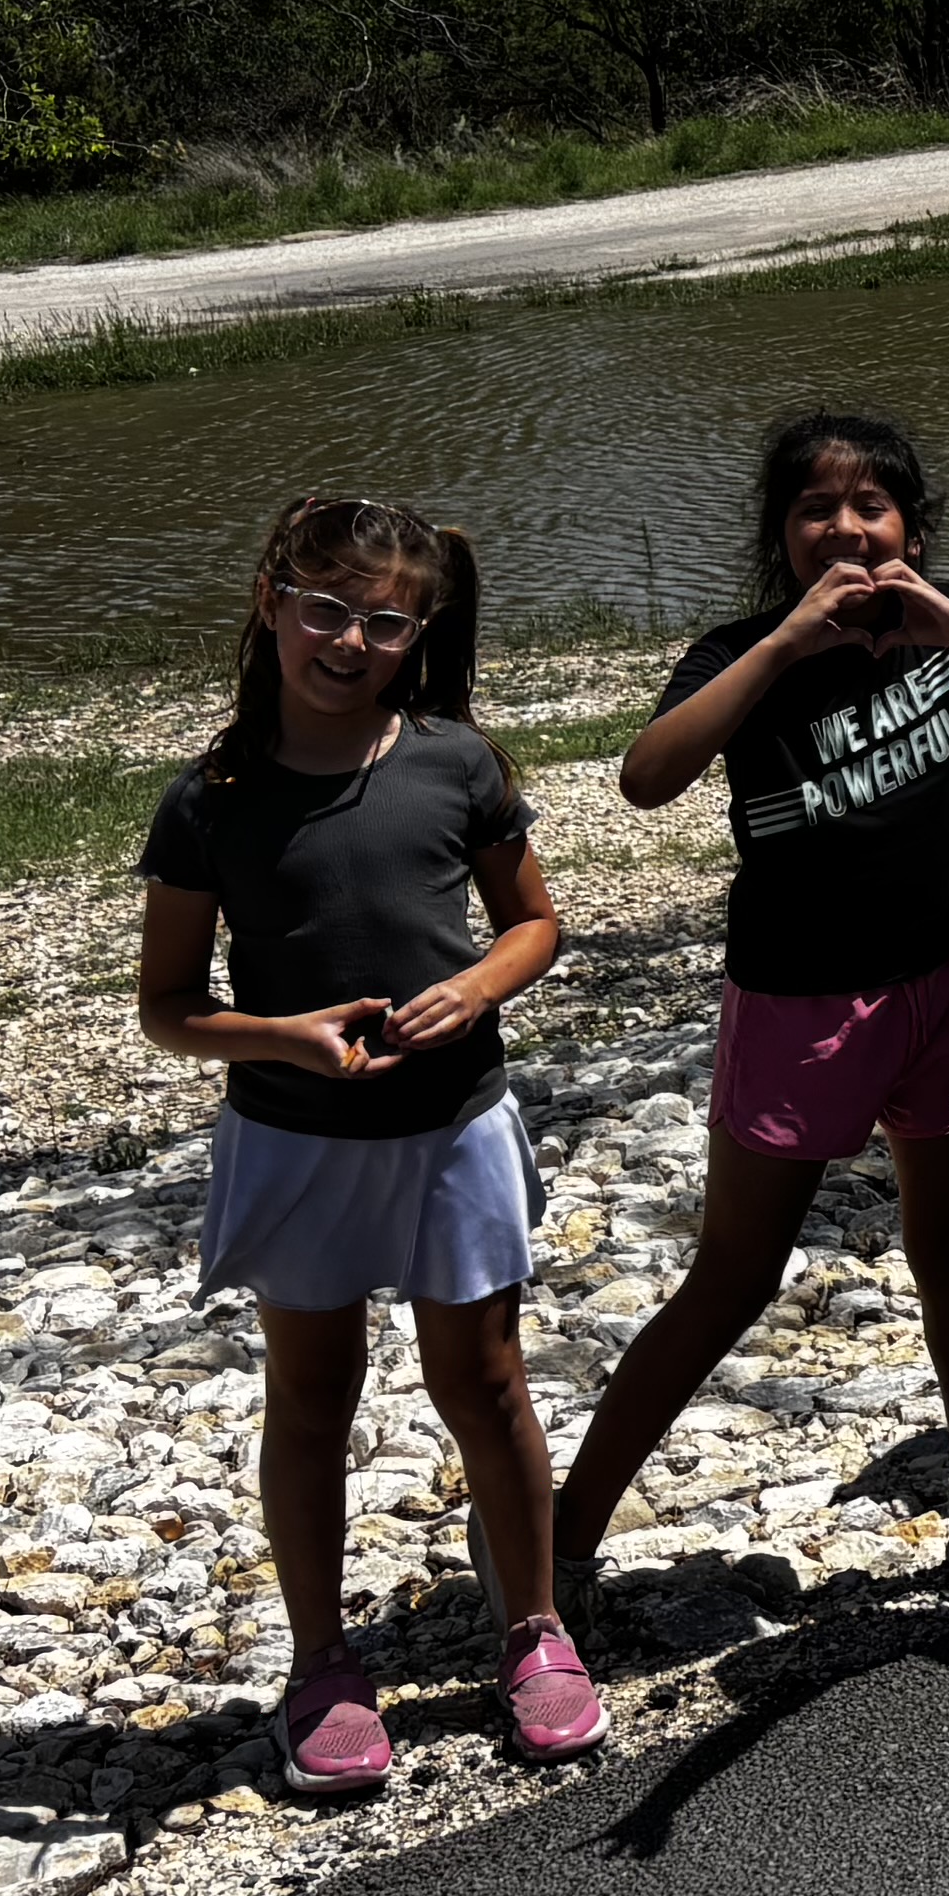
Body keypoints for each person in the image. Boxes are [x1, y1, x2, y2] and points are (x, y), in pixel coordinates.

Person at [557, 412, 949, 1619]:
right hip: (796, 1002)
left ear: (910, 530)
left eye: (871, 506)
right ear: (781, 537)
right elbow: (647, 776)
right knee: (735, 1273)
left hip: (942, 983)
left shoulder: (947, 626)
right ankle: (557, 1536)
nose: (846, 527)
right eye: (817, 508)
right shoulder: (746, 650)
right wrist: (779, 647)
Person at [135, 496, 600, 1791]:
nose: (349, 640)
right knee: (314, 1400)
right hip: (295, 1140)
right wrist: (280, 1038)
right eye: (326, 609)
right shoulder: (211, 800)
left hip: (451, 1125)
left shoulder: (457, 760)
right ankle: (323, 1662)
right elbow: (169, 1009)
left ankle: (536, 1628)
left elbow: (534, 926)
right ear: (271, 603)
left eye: (385, 621)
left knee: (487, 1381)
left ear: (418, 631)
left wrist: (479, 988)